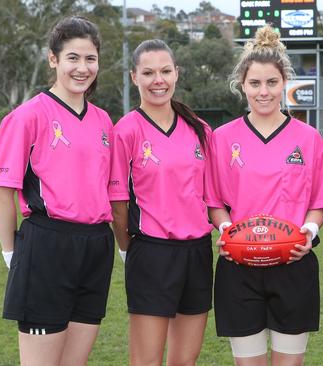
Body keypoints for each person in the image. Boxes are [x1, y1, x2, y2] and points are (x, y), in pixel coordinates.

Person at [206, 25, 323, 366]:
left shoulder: (308, 139)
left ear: (284, 84)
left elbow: (319, 203)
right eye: (255, 83)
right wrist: (227, 233)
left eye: (272, 83)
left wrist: (307, 234)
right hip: (239, 266)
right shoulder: (221, 138)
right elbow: (215, 203)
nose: (263, 92)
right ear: (242, 86)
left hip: (292, 263)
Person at [0, 16, 114, 365]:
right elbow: (1, 193)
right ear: (53, 59)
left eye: (90, 59)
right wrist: (11, 255)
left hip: (95, 247)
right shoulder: (27, 116)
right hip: (46, 246)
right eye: (72, 57)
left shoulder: (104, 121)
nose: (82, 67)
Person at [108, 39, 214, 366]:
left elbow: (212, 196)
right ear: (133, 77)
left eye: (166, 71)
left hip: (198, 251)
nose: (159, 80)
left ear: (177, 74)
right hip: (151, 254)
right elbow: (117, 202)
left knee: (184, 360)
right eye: (149, 72)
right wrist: (128, 249)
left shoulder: (200, 130)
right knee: (146, 361)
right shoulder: (125, 131)